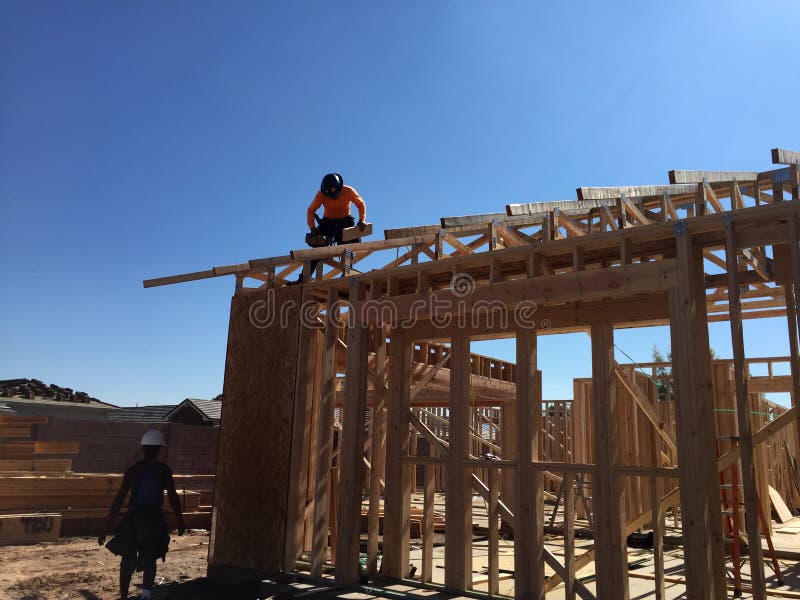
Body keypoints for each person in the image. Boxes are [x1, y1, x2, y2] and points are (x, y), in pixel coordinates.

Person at [98, 429, 186, 600]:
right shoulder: (164, 471)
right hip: (154, 519)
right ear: (159, 449)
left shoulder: (132, 471)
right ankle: (146, 594)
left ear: (143, 448)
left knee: (127, 559)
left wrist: (105, 528)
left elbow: (118, 501)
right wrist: (180, 520)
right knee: (150, 556)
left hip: (133, 519)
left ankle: (124, 596)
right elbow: (173, 497)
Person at [301, 173, 367, 280]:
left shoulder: (348, 191)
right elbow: (311, 210)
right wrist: (312, 228)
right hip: (328, 223)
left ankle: (347, 273)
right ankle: (303, 278)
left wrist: (362, 220)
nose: (333, 197)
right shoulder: (321, 195)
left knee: (346, 247)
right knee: (318, 248)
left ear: (340, 188)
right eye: (330, 196)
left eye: (335, 195)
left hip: (345, 222)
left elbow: (360, 204)